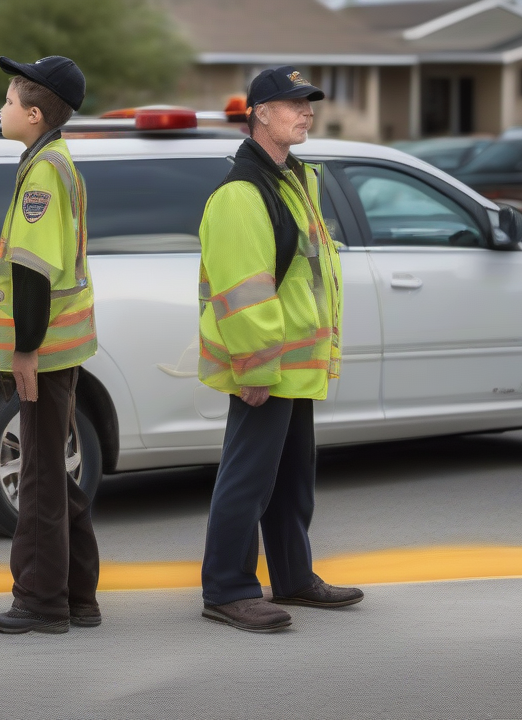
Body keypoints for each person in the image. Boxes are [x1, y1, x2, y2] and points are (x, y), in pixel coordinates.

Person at [196, 67, 362, 633]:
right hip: (264, 364)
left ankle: (293, 576)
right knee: (248, 478)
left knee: (292, 478)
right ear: (260, 112)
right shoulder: (243, 193)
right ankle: (227, 588)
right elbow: (244, 290)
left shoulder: (294, 181)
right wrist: (256, 365)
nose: (306, 111)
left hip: (292, 362)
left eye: (308, 102)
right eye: (292, 103)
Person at [0, 56, 101, 635]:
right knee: (51, 473)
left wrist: (24, 350)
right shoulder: (50, 161)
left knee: (38, 480)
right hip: (58, 348)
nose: (0, 110)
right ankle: (78, 594)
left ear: (34, 114)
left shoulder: (44, 172)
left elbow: (31, 271)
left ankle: (41, 598)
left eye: (8, 102)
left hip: (46, 350)